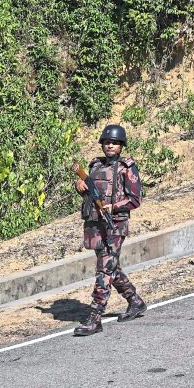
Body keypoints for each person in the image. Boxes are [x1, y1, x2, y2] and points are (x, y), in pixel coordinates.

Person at [72, 124, 145, 337]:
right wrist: (81, 187)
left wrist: (113, 207)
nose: (110, 145)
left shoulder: (126, 167)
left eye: (114, 143)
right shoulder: (94, 165)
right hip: (95, 223)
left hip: (115, 224)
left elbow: (135, 199)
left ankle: (95, 317)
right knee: (111, 267)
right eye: (106, 142)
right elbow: (91, 196)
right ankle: (135, 301)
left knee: (104, 270)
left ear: (121, 145)